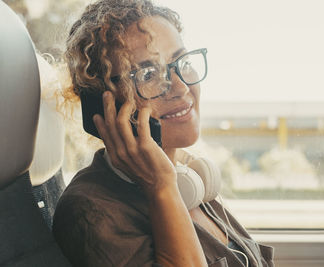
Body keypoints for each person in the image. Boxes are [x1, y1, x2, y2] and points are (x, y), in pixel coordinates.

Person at [52, 0, 274, 266]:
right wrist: (161, 188)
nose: (180, 87)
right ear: (104, 103)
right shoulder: (91, 212)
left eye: (182, 62)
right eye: (148, 74)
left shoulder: (189, 179)